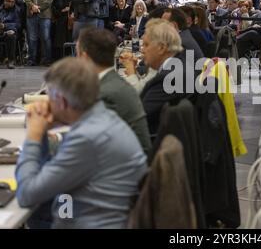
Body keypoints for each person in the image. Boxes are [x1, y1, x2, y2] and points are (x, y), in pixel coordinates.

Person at [15, 57, 147, 228]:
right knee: (40, 210)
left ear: (61, 101)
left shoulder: (88, 138)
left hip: (87, 222)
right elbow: (50, 172)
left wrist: (34, 133)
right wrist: (43, 134)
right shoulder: (105, 119)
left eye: (50, 97)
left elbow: (26, 195)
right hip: (99, 213)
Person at [76, 28, 152, 156]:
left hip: (126, 168)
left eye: (77, 55)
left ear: (84, 57)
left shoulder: (105, 93)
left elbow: (85, 143)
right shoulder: (112, 82)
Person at [139, 18, 195, 134]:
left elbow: (139, 118)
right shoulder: (178, 64)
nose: (142, 50)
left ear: (162, 48)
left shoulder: (168, 79)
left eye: (146, 45)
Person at [24, 0, 55, 66]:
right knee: (32, 38)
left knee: (45, 37)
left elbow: (49, 1)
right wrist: (32, 6)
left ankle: (48, 59)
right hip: (31, 14)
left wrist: (38, 8)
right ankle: (32, 59)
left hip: (44, 15)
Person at [0, 0, 20, 69]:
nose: (8, 3)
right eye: (6, 1)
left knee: (11, 36)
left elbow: (18, 24)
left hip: (9, 31)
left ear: (13, 2)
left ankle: (11, 60)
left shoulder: (17, 10)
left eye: (10, 1)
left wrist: (6, 26)